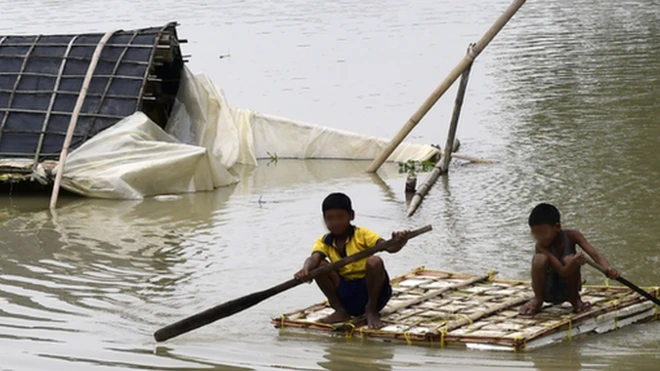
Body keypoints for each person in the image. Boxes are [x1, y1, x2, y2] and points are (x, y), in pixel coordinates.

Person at [294, 192, 410, 328]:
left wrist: (399, 241)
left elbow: (389, 248)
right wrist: (305, 269)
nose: (335, 223)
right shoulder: (324, 241)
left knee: (375, 261)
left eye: (340, 217)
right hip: (347, 296)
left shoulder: (363, 235)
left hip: (374, 294)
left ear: (351, 216)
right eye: (330, 218)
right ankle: (340, 311)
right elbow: (314, 258)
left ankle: (371, 311)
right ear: (324, 220)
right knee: (319, 266)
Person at [519, 203, 620, 315]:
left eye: (542, 234)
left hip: (568, 290)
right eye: (535, 234)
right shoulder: (540, 246)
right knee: (539, 259)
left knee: (568, 259)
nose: (539, 238)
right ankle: (538, 299)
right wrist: (574, 261)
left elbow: (595, 255)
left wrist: (608, 269)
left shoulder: (573, 236)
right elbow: (563, 271)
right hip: (548, 290)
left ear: (557, 227)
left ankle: (575, 300)